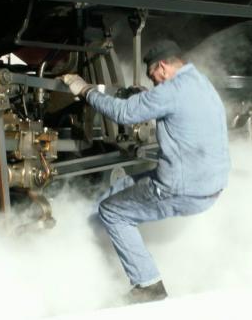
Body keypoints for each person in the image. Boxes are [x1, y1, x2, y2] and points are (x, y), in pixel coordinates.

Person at [59, 40, 230, 303]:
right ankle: (88, 244)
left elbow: (124, 113)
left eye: (153, 77)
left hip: (181, 190)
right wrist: (146, 97)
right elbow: (172, 107)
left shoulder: (172, 90)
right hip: (212, 187)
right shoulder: (200, 82)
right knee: (121, 187)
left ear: (162, 67)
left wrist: (86, 91)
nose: (154, 84)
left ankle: (148, 285)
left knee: (112, 211)